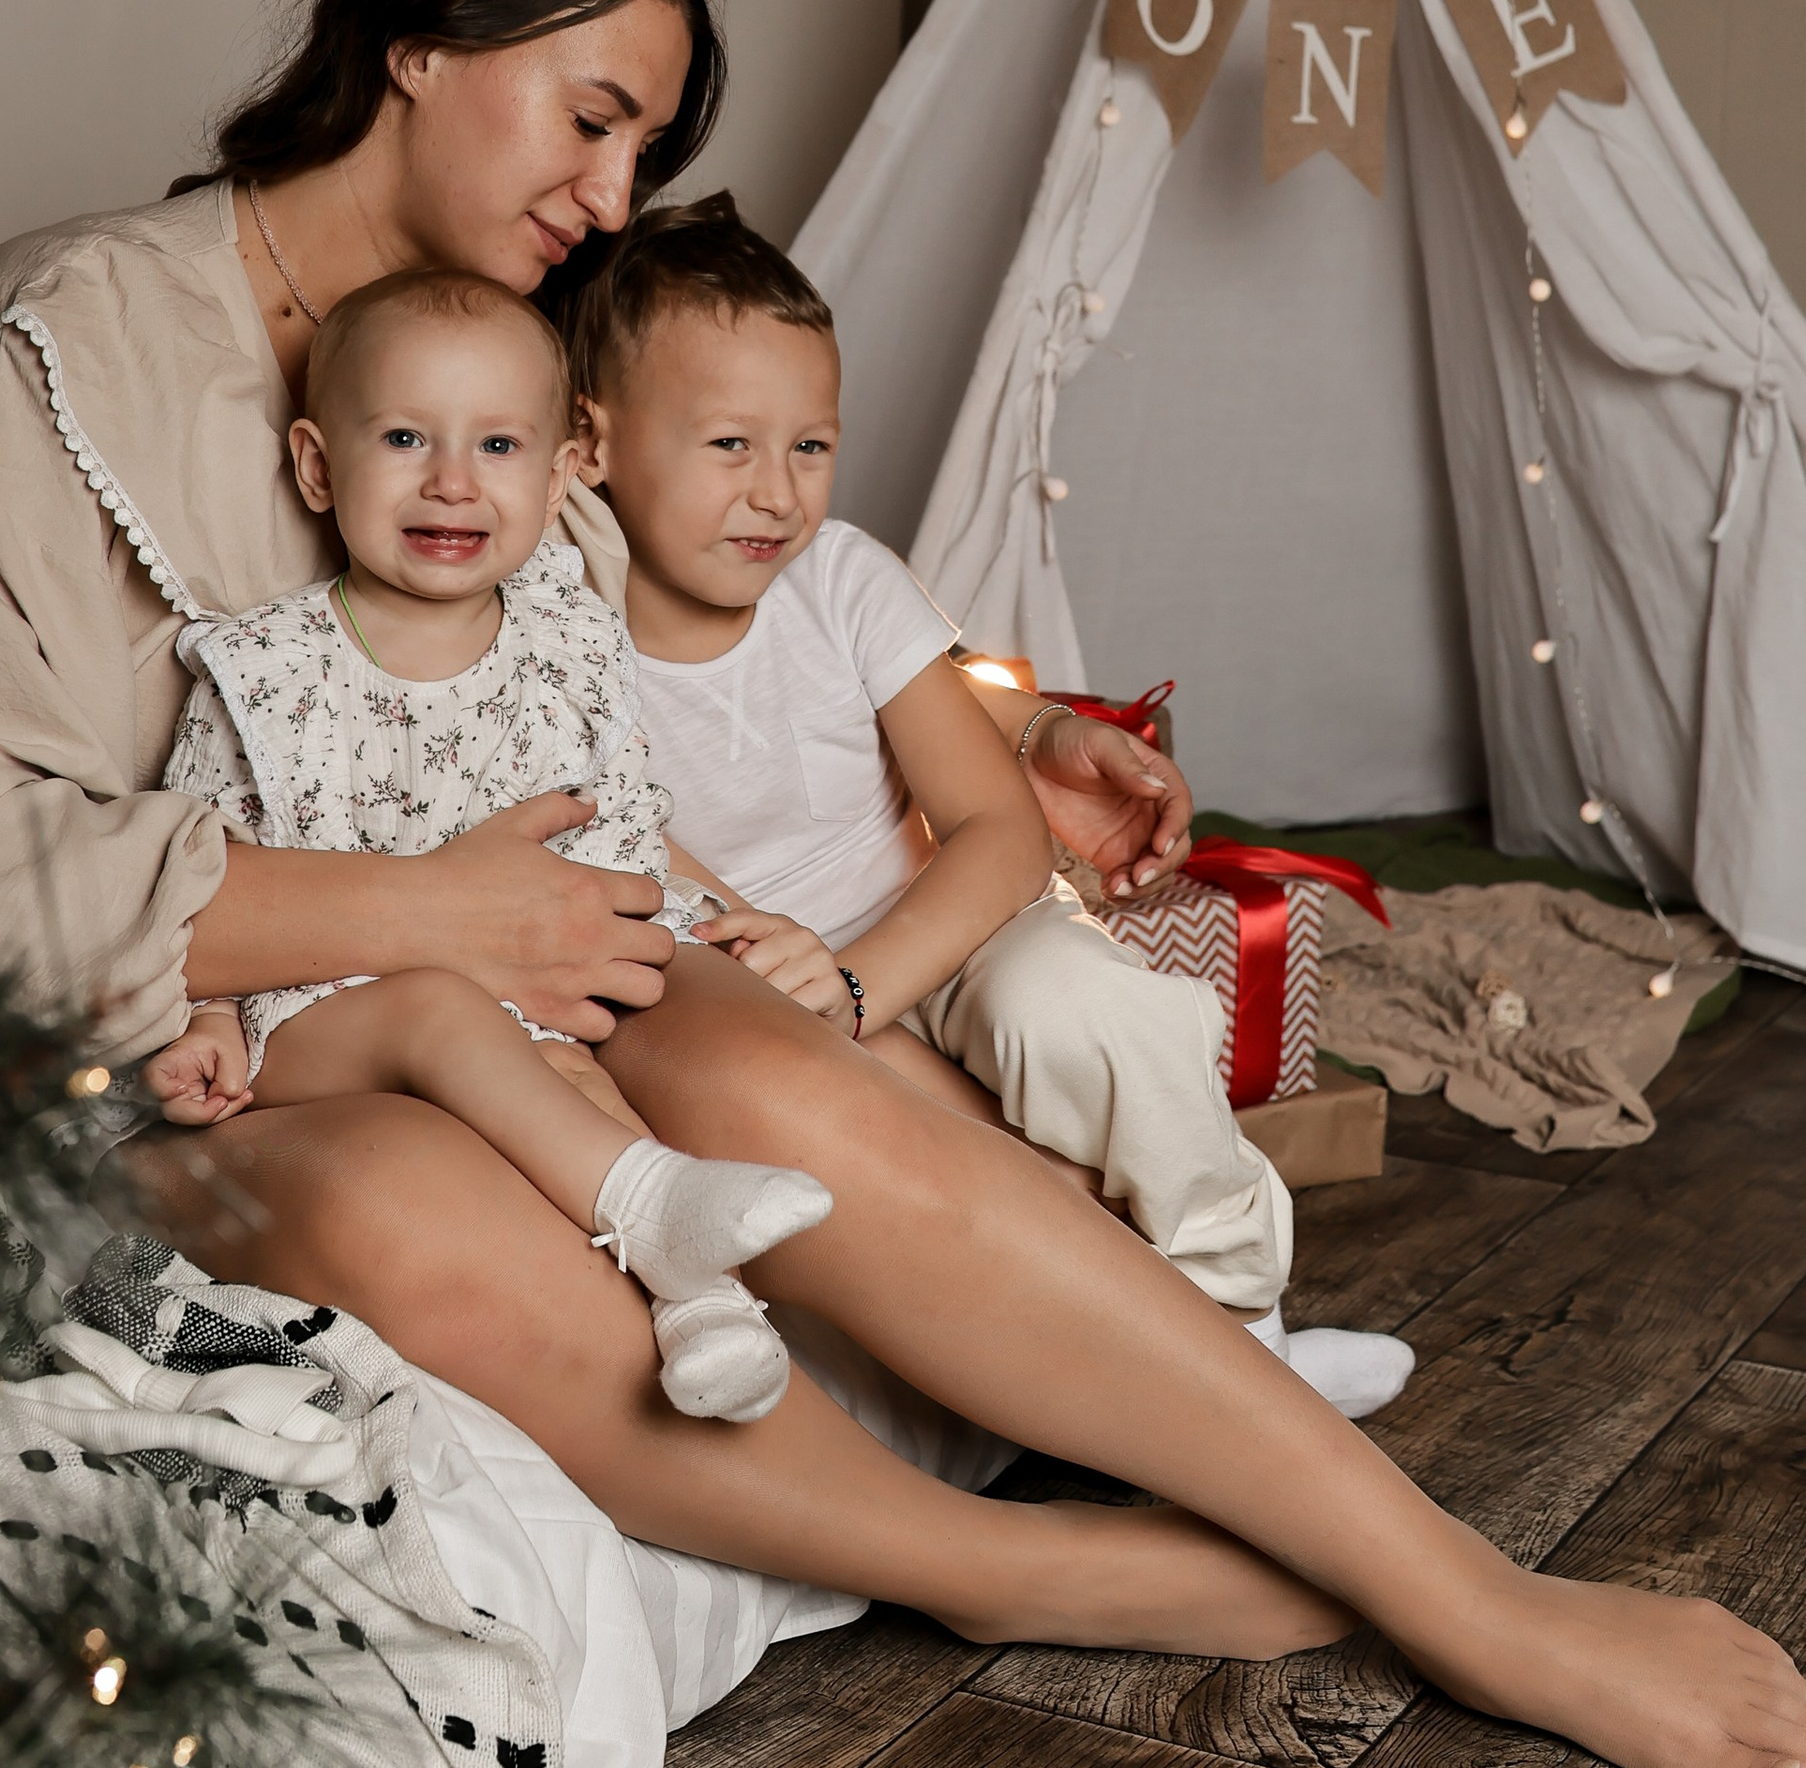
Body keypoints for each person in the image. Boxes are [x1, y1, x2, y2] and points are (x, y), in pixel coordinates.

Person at [0, 0, 1806, 1768]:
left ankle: (1462, 1589)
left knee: (791, 1078)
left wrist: (1006, 732)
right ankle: (1000, 1574)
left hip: (530, 963)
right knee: (399, 1203)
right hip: (185, 1044)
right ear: (422, 40)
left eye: (641, 153)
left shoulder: (536, 378)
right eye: (592, 116)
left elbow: (757, 606)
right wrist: (433, 915)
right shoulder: (60, 342)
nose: (608, 193)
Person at [569, 193, 1413, 1419]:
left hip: (940, 927)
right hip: (754, 987)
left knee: (1098, 1013)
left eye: (810, 446)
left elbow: (999, 831)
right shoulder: (564, 650)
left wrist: (864, 986)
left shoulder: (846, 584)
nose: (777, 494)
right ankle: (1102, 1374)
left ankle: (1247, 1332)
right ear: (589, 446)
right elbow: (653, 863)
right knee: (911, 1160)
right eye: (727, 446)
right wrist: (825, 1008)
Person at [142, 260, 837, 1426]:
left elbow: (619, 826)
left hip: (519, 1004)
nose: (454, 484)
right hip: (309, 1014)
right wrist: (205, 1020)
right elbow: (199, 873)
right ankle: (667, 1218)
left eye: (500, 448)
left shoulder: (566, 643)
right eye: (407, 438)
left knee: (579, 1077)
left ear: (564, 471)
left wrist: (695, 930)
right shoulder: (266, 672)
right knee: (439, 1011)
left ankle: (704, 1310)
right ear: (320, 465)